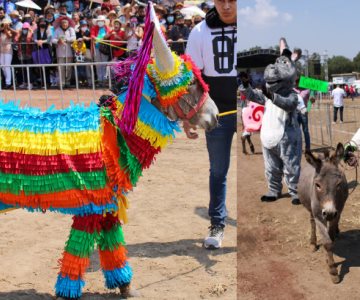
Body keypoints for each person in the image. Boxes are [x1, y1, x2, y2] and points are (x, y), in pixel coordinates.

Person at [185, 0, 237, 249]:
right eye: (221, 0)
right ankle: (217, 224)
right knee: (218, 171)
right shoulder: (199, 32)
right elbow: (193, 77)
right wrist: (189, 116)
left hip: (251, 109)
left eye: (232, 0)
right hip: (219, 112)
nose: (226, 5)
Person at [52, 16, 76, 88]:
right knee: (61, 68)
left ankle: (67, 82)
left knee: (68, 68)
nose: (64, 24)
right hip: (60, 52)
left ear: (68, 23)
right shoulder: (57, 30)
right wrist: (58, 41)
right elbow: (53, 40)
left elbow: (74, 38)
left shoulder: (71, 29)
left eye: (66, 23)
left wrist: (66, 39)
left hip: (69, 52)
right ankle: (62, 83)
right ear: (60, 23)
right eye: (63, 23)